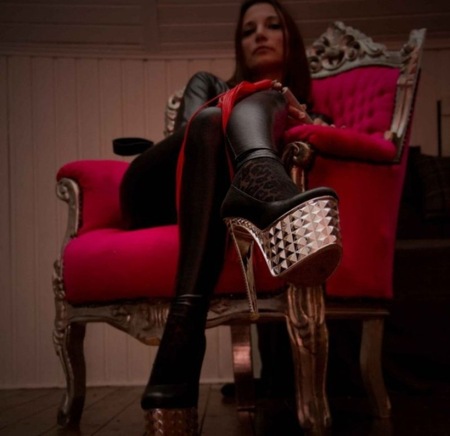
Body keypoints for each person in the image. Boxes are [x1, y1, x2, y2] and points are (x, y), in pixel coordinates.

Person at [120, 0, 341, 433]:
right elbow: (188, 147)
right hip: (154, 192)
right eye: (248, 30)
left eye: (272, 25)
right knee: (213, 118)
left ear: (291, 40)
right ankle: (260, 176)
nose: (259, 34)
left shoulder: (310, 116)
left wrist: (300, 115)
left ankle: (183, 336)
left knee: (257, 102)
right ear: (240, 46)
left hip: (214, 208)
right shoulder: (208, 83)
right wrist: (255, 97)